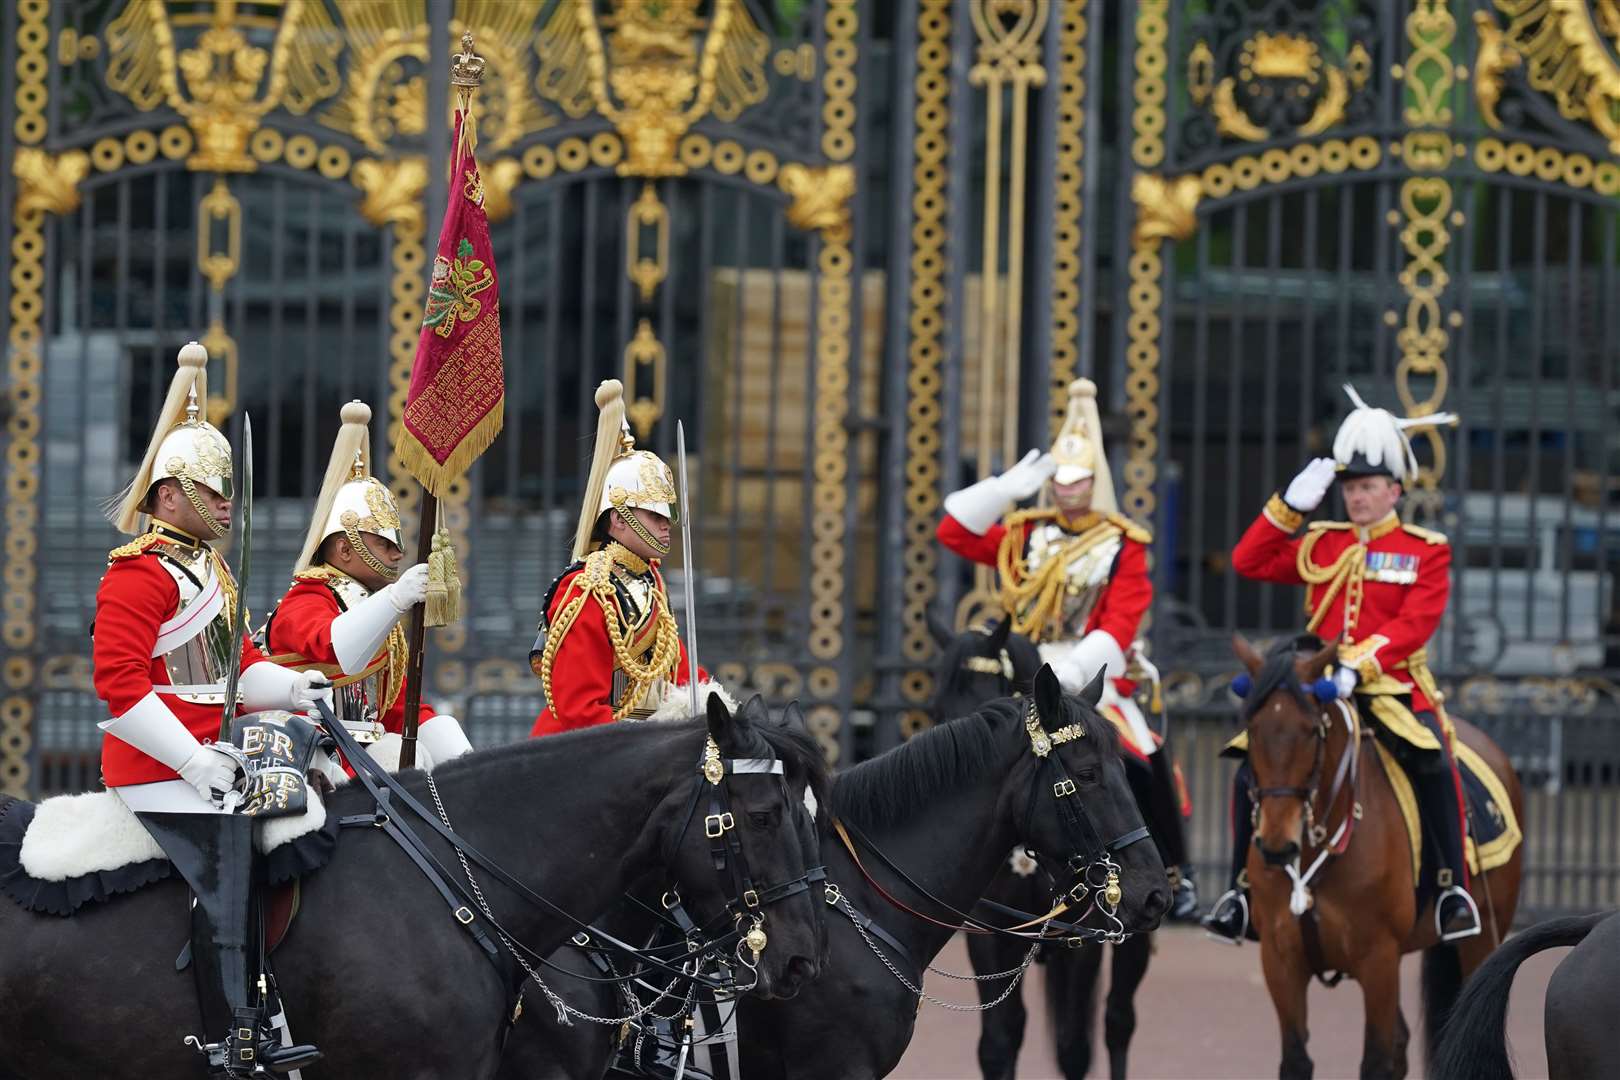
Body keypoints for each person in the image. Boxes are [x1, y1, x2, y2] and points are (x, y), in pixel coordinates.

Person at [93, 343, 326, 1076]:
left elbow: (236, 668)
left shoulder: (212, 569)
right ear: (167, 496)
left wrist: (293, 690)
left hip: (215, 751)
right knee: (234, 854)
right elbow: (121, 688)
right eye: (213, 493)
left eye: (228, 494)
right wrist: (194, 763)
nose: (228, 506)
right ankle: (234, 1026)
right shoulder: (139, 575)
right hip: (160, 766)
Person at [1202, 385, 1477, 943]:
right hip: (1316, 688)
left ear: (1395, 490)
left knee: (1432, 762)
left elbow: (1413, 626)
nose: (1357, 498)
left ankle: (1451, 887)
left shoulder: (1427, 549)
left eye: (1369, 487)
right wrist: (1291, 507)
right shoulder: (1322, 543)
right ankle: (1239, 892)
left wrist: (1359, 664)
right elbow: (1247, 559)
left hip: (1392, 688)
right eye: (1350, 488)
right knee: (1249, 766)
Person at [936, 378, 1197, 920]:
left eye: (1077, 481)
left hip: (1088, 673)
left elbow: (1121, 623)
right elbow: (954, 534)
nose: (1066, 490)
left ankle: (1176, 870)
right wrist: (1005, 488)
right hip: (1023, 669)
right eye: (1059, 480)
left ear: (1095, 481)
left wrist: (1073, 671)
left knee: (1143, 758)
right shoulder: (1027, 533)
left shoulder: (1124, 544)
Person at [262, 400, 473, 770]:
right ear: (344, 549)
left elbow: (397, 709)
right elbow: (335, 648)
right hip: (313, 760)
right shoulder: (307, 598)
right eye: (384, 544)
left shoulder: (368, 606)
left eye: (396, 544)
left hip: (362, 760)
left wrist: (465, 765)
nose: (397, 554)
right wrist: (395, 598)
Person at [529, 380, 709, 735]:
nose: (666, 525)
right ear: (617, 519)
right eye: (654, 516)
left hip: (642, 745)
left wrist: (708, 705)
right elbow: (579, 711)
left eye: (666, 516)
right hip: (587, 751)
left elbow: (679, 672)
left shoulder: (650, 580)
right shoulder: (588, 589)